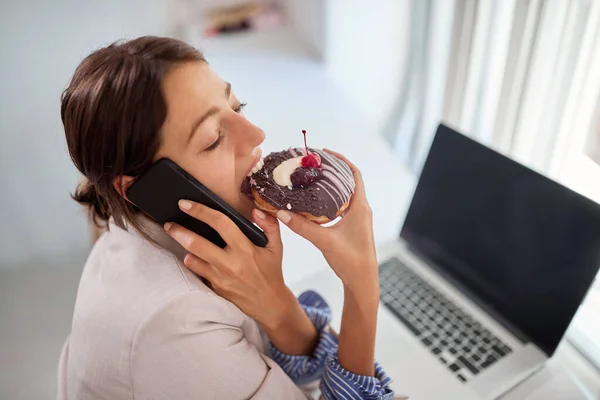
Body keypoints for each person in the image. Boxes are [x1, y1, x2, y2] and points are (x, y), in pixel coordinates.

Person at [57, 36, 394, 400]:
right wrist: (362, 287)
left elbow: (300, 376)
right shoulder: (177, 325)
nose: (256, 135)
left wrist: (279, 307)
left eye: (237, 106)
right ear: (144, 188)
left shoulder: (133, 229)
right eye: (213, 138)